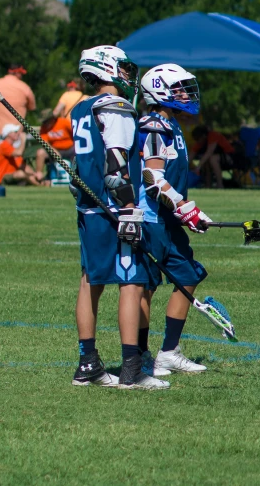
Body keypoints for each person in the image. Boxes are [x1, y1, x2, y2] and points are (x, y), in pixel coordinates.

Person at [70, 45, 168, 390]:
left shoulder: (80, 108)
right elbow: (116, 169)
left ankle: (88, 365)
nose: (129, 74)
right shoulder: (118, 107)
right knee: (133, 281)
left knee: (90, 281)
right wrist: (128, 210)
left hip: (88, 208)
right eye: (123, 68)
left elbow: (78, 171)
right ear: (107, 68)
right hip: (114, 207)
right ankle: (131, 370)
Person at [136, 63, 211, 376]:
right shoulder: (154, 126)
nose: (185, 94)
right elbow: (153, 180)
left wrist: (185, 211)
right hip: (150, 218)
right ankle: (138, 354)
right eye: (178, 87)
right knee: (144, 286)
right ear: (159, 90)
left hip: (169, 218)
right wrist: (186, 209)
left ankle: (169, 352)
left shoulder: (173, 125)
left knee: (188, 275)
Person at [0, 63, 36, 177]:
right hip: (16, 129)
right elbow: (32, 107)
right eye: (21, 73)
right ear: (16, 72)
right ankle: (16, 175)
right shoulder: (24, 87)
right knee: (16, 155)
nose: (21, 76)